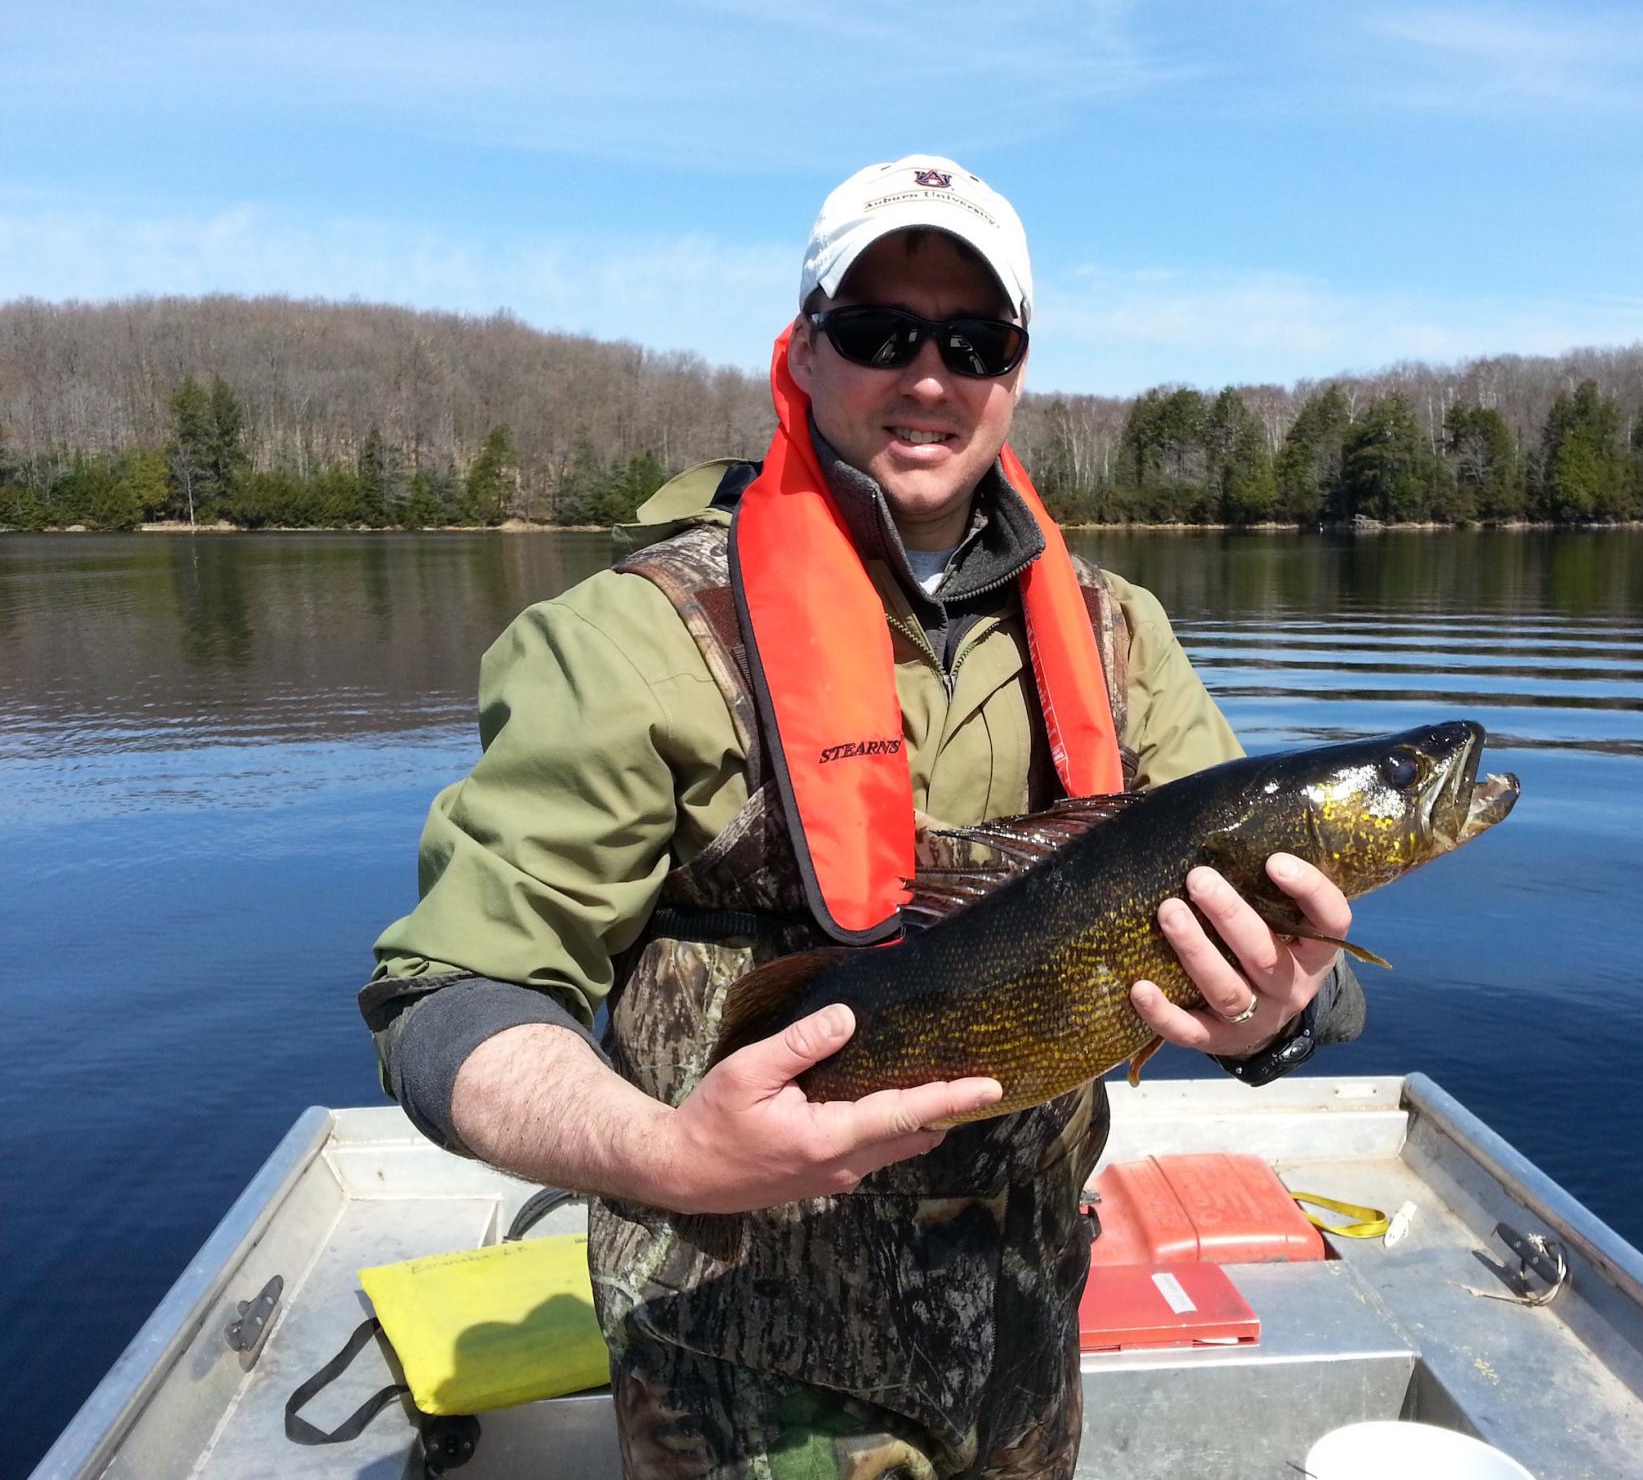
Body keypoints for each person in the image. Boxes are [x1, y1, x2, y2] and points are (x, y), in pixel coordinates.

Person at [361, 154, 1365, 1480]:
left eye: (974, 338)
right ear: (806, 350)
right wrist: (665, 1152)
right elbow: (450, 996)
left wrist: (1284, 1014)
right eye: (879, 332)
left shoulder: (1125, 639)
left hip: (1025, 1337)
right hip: (734, 1351)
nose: (931, 376)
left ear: (1016, 366)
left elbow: (1308, 981)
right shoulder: (628, 638)